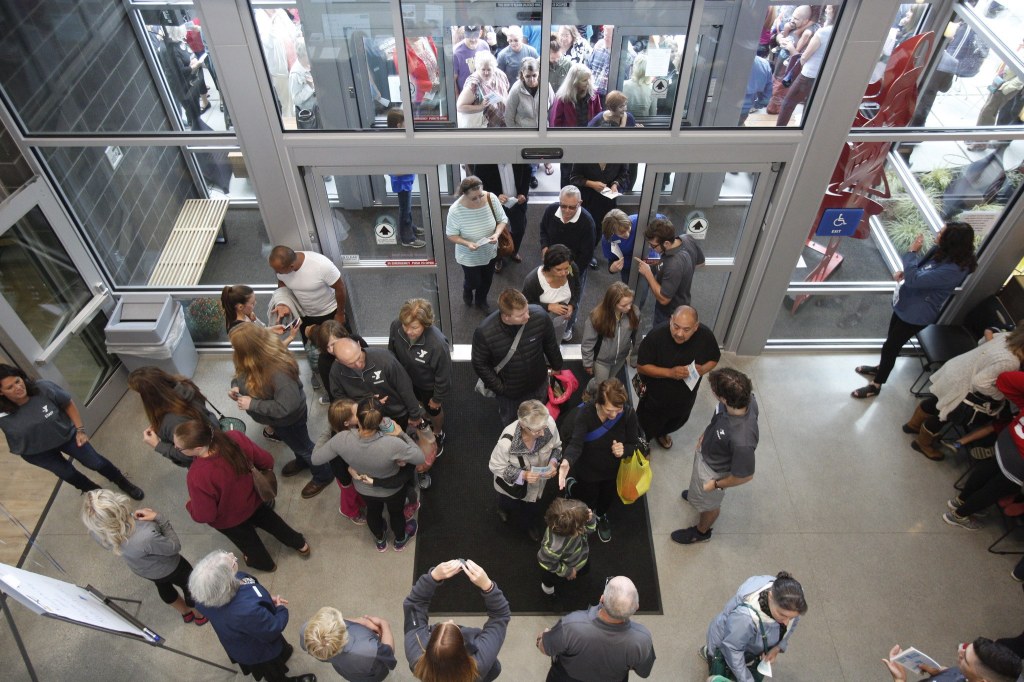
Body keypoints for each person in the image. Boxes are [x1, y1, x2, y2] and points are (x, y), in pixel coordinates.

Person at [852, 222, 978, 399]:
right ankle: (881, 368)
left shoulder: (954, 269)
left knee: (891, 346)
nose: (938, 232)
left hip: (916, 314)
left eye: (942, 232)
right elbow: (919, 272)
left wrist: (912, 253)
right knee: (891, 343)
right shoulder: (939, 251)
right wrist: (907, 272)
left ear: (951, 241)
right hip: (905, 303)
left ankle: (877, 384)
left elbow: (915, 280)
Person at [175, 419, 310, 572]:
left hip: (230, 519)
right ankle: (300, 544)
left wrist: (190, 505)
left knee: (248, 542)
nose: (176, 448)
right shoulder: (234, 437)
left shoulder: (197, 475)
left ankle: (265, 564)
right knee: (273, 522)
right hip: (254, 499)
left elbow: (206, 514)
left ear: (198, 448)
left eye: (179, 448)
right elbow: (266, 460)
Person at [0, 364, 144, 499]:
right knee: (68, 474)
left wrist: (80, 430)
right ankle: (99, 496)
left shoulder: (43, 388)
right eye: (10, 387)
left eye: (18, 381)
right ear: (1, 392)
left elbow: (68, 404)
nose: (18, 387)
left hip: (66, 436)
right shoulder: (2, 413)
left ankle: (122, 482)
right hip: (37, 452)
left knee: (96, 462)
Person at [229, 323, 334, 499]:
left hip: (289, 420)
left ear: (248, 350)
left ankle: (324, 475)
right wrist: (236, 387)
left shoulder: (279, 372)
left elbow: (288, 406)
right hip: (277, 420)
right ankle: (302, 461)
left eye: (235, 347)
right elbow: (240, 375)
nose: (233, 350)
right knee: (297, 444)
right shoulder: (251, 361)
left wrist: (252, 404)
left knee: (305, 447)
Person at [312, 398, 424, 552]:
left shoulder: (341, 439)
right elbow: (420, 457)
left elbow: (315, 458)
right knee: (396, 513)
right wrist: (402, 434)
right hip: (392, 490)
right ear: (379, 420)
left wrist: (329, 427)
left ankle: (380, 540)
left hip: (364, 488)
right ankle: (400, 540)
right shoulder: (392, 444)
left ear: (358, 418)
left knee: (373, 512)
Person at [81, 489, 207, 625]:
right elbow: (174, 547)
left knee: (163, 587)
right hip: (172, 566)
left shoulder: (97, 533)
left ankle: (185, 612)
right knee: (190, 586)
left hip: (144, 570)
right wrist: (159, 518)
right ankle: (199, 615)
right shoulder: (145, 535)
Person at [189, 550, 316, 682]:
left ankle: (282, 655)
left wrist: (264, 598)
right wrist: (280, 609)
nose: (232, 555)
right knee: (272, 672)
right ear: (226, 583)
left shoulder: (206, 595)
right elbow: (272, 628)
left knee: (279, 651)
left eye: (227, 554)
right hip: (257, 650)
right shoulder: (246, 611)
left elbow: (252, 586)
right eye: (231, 563)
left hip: (243, 636)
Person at [903, 325, 1024, 460]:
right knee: (944, 415)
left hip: (957, 369)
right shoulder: (1011, 362)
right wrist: (1000, 396)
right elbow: (979, 383)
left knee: (937, 401)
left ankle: (912, 426)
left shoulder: (1006, 336)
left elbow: (981, 342)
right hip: (963, 384)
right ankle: (922, 444)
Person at [673, 367, 758, 545]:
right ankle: (697, 495)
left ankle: (701, 532)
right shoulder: (745, 399)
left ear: (724, 398)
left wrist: (716, 485)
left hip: (714, 471)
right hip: (708, 454)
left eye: (714, 390)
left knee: (710, 506)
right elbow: (719, 416)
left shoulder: (743, 440)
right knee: (699, 491)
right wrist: (706, 433)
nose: (711, 390)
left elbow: (745, 476)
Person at [558, 378, 639, 543]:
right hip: (587, 469)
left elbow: (634, 443)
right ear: (599, 403)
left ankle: (601, 516)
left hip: (612, 470)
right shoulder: (585, 414)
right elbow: (576, 443)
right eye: (610, 409)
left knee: (607, 497)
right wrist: (567, 460)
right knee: (586, 496)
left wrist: (625, 450)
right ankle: (585, 516)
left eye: (619, 409)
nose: (614, 414)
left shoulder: (629, 414)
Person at [404, 559, 510, 682]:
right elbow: (500, 615)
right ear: (463, 648)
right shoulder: (480, 662)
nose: (451, 620)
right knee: (495, 669)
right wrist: (488, 586)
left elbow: (414, 603)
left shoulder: (415, 655)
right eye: (454, 626)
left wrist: (433, 576)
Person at [943, 371, 1024, 531]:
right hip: (1019, 460)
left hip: (1008, 438)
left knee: (990, 467)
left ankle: (960, 500)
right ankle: (959, 515)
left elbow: (1004, 379)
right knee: (996, 489)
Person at [472, 288, 564, 426]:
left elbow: (550, 344)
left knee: (538, 417)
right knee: (512, 423)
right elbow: (479, 363)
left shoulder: (539, 316)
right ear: (506, 316)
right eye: (521, 315)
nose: (528, 316)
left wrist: (557, 366)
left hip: (538, 383)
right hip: (511, 393)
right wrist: (500, 389)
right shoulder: (485, 333)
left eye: (527, 310)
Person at [537, 575, 656, 681]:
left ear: (602, 598)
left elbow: (545, 647)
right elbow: (644, 672)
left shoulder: (572, 625)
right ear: (636, 607)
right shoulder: (642, 639)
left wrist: (542, 638)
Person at [636, 306, 721, 449]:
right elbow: (642, 366)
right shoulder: (656, 336)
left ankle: (662, 433)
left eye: (686, 330)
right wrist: (670, 373)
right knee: (645, 425)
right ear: (670, 321)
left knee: (676, 421)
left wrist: (703, 369)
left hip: (685, 398)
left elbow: (714, 358)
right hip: (655, 398)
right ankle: (643, 445)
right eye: (676, 327)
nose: (680, 333)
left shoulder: (705, 336)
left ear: (696, 327)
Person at [703, 572, 807, 682]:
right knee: (720, 665)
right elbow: (732, 649)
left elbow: (790, 626)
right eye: (782, 615)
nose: (786, 622)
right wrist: (747, 679)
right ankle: (710, 654)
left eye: (791, 618)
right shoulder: (744, 619)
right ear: (770, 596)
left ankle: (708, 652)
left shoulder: (793, 600)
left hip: (742, 645)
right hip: (726, 645)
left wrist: (778, 647)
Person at [488, 399, 562, 541]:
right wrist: (523, 475)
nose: (542, 433)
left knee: (532, 509)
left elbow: (557, 447)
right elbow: (495, 465)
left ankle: (530, 525)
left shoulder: (548, 424)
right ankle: (503, 509)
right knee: (508, 501)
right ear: (522, 425)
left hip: (537, 486)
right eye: (537, 430)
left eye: (544, 427)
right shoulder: (506, 443)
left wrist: (553, 462)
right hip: (512, 487)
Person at [388, 299, 451, 452]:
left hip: (428, 385)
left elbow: (443, 376)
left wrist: (437, 399)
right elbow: (392, 350)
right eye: (405, 325)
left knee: (433, 410)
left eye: (414, 327)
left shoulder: (438, 344)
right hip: (407, 381)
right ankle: (426, 415)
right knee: (420, 404)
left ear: (426, 323)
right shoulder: (396, 325)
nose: (408, 331)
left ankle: (437, 431)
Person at [127, 366, 219, 468]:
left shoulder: (172, 422)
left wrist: (157, 445)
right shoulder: (185, 384)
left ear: (149, 396)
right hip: (212, 428)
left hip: (204, 453)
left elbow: (189, 454)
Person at [328, 336, 424, 432]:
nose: (358, 365)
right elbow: (341, 401)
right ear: (338, 361)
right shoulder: (336, 372)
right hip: (366, 419)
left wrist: (415, 414)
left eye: (358, 357)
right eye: (350, 364)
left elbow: (405, 387)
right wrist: (367, 404)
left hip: (396, 413)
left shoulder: (385, 359)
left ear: (359, 344)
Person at [539, 185, 597, 334]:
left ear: (580, 203)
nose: (567, 211)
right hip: (551, 265)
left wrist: (569, 273)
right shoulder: (551, 211)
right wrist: (545, 247)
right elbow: (543, 230)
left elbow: (586, 254)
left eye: (572, 207)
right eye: (563, 206)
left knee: (572, 299)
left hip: (574, 268)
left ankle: (568, 326)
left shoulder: (587, 222)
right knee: (547, 293)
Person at [446, 175, 508, 312]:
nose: (479, 200)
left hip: (489, 250)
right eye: (474, 198)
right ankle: (467, 289)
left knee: (487, 280)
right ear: (464, 194)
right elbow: (451, 234)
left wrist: (496, 234)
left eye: (480, 195)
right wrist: (467, 243)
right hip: (468, 255)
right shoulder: (455, 210)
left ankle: (481, 300)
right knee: (474, 281)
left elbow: (502, 219)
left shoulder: (491, 198)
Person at [635, 217, 705, 328]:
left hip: (668, 315)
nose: (650, 247)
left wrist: (648, 273)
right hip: (683, 302)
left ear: (666, 243)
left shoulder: (673, 265)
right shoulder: (686, 239)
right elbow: (700, 263)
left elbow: (664, 299)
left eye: (653, 245)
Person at [268, 246, 348, 339]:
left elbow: (340, 288)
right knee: (313, 349)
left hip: (329, 313)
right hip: (305, 315)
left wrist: (340, 314)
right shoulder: (281, 269)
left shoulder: (322, 265)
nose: (276, 273)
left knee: (338, 343)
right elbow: (282, 282)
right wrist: (283, 303)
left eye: (279, 271)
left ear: (291, 267)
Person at [302, 606, 397, 682]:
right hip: (374, 674)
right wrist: (384, 624)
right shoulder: (369, 650)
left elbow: (341, 621)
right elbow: (389, 653)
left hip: (348, 672)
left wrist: (361, 621)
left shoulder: (307, 632)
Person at [775, 6, 834, 127]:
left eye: (829, 7)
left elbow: (804, 57)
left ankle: (779, 130)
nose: (827, 8)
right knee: (810, 104)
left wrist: (793, 68)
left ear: (833, 10)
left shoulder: (823, 32)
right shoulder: (839, 29)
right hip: (824, 74)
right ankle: (805, 129)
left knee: (788, 103)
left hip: (808, 74)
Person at [883, 638, 1021, 682]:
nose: (960, 651)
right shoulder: (973, 675)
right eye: (965, 649)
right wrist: (939, 672)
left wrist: (899, 679)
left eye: (965, 659)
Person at [521, 244, 582, 343]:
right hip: (538, 322)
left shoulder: (572, 268)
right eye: (558, 269)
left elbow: (577, 288)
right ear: (549, 266)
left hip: (561, 320)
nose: (564, 273)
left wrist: (572, 305)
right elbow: (525, 305)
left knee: (555, 340)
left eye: (566, 268)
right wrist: (548, 307)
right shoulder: (533, 280)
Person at [581, 282, 640, 382]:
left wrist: (635, 359)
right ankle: (590, 391)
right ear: (612, 303)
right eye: (624, 305)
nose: (629, 307)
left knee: (609, 382)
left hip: (621, 358)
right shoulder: (597, 317)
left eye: (630, 303)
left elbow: (637, 338)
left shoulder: (635, 312)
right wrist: (588, 363)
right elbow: (588, 342)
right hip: (601, 361)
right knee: (601, 385)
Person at [538, 498, 596, 596]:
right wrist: (567, 571)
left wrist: (590, 520)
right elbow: (545, 562)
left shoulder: (573, 523)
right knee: (550, 581)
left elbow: (590, 530)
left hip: (579, 557)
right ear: (576, 531)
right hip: (558, 570)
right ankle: (549, 593)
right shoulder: (552, 547)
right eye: (583, 523)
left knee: (585, 570)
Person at [386, 109, 427, 248]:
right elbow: (393, 171)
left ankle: (412, 228)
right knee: (405, 210)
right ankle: (407, 238)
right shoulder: (391, 145)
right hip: (401, 183)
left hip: (406, 181)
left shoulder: (399, 138)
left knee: (407, 208)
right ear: (398, 125)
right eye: (405, 123)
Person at [456, 52, 509, 129]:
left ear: (494, 68)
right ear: (477, 68)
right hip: (484, 130)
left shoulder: (500, 75)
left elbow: (506, 90)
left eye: (489, 69)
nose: (486, 73)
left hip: (504, 124)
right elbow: (460, 107)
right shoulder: (473, 84)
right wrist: (480, 107)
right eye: (483, 69)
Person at [505, 57, 553, 129]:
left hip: (543, 130)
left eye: (534, 75)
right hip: (523, 133)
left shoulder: (546, 86)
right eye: (528, 76)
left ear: (539, 73)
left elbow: (552, 107)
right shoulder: (516, 90)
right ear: (522, 74)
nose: (532, 80)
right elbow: (508, 117)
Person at [550, 63, 602, 128]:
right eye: (584, 80)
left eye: (589, 79)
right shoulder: (562, 98)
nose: (588, 83)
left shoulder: (594, 95)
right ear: (575, 82)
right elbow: (555, 123)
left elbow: (599, 118)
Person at [453, 26, 493, 96]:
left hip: (483, 93)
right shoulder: (456, 53)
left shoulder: (484, 46)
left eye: (475, 35)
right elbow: (453, 80)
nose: (473, 39)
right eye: (469, 36)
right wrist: (458, 99)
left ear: (480, 33)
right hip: (466, 97)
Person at [289, 39, 319, 129]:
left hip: (317, 112)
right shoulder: (295, 74)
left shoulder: (310, 65)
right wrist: (310, 87)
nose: (311, 56)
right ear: (300, 55)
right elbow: (296, 100)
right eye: (307, 55)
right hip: (308, 118)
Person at [741, 55, 774, 125]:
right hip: (744, 109)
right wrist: (757, 105)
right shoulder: (764, 64)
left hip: (719, 108)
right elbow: (766, 98)